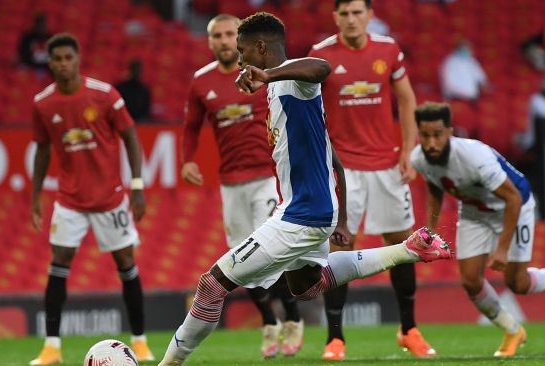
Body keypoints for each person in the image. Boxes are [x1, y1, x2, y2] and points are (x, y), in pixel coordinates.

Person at [157, 12, 453, 366]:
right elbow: (334, 159)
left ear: (261, 47)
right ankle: (408, 248)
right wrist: (341, 218)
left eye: (243, 50)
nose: (240, 59)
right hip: (311, 210)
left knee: (211, 286)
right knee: (306, 286)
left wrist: (269, 74)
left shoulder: (294, 79)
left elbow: (321, 68)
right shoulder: (278, 88)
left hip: (302, 214)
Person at [308, 0, 429, 359]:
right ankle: (335, 339)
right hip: (343, 170)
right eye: (344, 13)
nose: (351, 19)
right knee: (340, 249)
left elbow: (407, 100)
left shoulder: (388, 49)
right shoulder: (321, 55)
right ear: (335, 18)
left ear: (369, 15)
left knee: (403, 245)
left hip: (387, 167)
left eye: (357, 12)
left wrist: (408, 150)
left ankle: (409, 330)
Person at [181, 14, 304, 358]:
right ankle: (269, 321)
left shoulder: (262, 72)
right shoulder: (200, 82)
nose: (223, 40)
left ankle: (293, 318)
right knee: (240, 257)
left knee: (271, 250)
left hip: (268, 177)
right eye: (216, 35)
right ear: (210, 42)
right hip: (231, 182)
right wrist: (188, 159)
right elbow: (191, 126)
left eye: (229, 34)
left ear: (240, 38)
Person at [411, 101, 545, 357]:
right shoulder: (419, 158)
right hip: (474, 212)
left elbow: (513, 199)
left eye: (437, 135)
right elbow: (435, 187)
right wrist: (429, 231)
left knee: (517, 283)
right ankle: (512, 330)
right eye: (425, 135)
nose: (431, 143)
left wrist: (502, 249)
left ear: (450, 133)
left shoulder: (474, 158)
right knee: (470, 281)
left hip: (515, 206)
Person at [29, 34, 154, 365]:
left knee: (126, 262)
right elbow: (42, 150)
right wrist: (35, 196)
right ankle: (51, 348)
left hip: (110, 198)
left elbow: (130, 136)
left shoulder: (104, 95)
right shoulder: (43, 103)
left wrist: (137, 186)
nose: (62, 64)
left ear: (78, 58)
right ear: (50, 62)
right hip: (69, 200)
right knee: (59, 261)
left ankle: (139, 341)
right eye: (56, 59)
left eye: (68, 57)